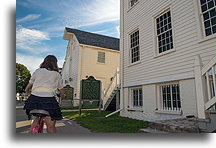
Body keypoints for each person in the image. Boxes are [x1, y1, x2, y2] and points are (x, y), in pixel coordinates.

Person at [24, 55, 64, 133]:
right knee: (51, 124)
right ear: (55, 64)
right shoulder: (57, 74)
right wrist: (63, 96)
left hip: (33, 100)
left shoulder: (38, 71)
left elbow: (30, 84)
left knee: (36, 119)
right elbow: (61, 89)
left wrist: (26, 90)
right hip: (48, 101)